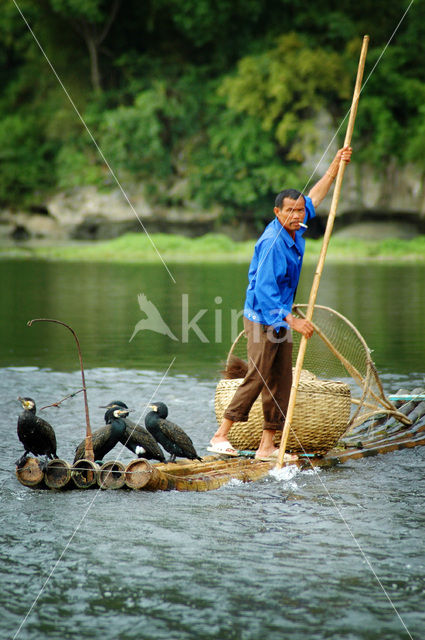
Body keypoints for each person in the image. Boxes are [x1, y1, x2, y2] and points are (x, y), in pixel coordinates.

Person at [208, 146, 352, 461]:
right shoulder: (273, 243)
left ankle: (266, 446)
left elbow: (315, 196)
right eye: (290, 211)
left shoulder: (297, 226)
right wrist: (292, 320)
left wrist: (334, 167)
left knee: (282, 378)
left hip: (280, 316)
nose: (297, 215)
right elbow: (263, 292)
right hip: (263, 316)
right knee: (259, 373)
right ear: (278, 212)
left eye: (300, 211)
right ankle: (220, 435)